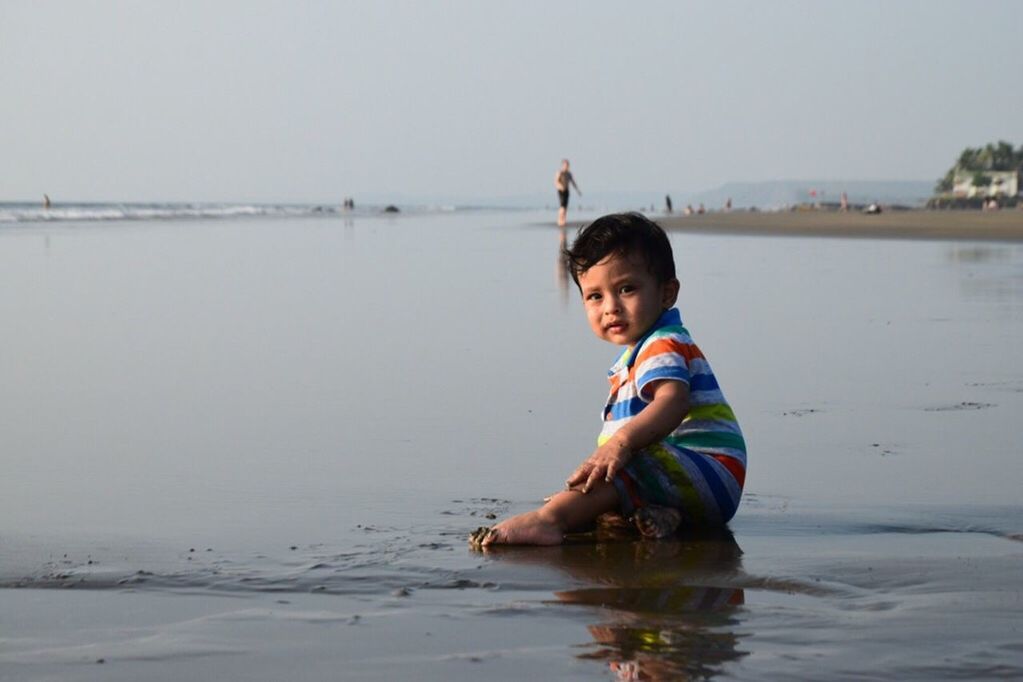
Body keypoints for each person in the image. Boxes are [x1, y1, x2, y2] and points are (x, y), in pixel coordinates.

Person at [471, 213, 746, 547]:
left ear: (667, 293)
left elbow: (673, 401)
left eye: (626, 289)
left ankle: (550, 521)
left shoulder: (663, 343)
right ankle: (663, 516)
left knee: (620, 462)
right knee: (614, 477)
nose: (611, 307)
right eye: (595, 296)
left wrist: (620, 444)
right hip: (694, 484)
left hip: (710, 469)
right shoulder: (639, 352)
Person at [555, 159, 581, 227]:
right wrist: (560, 186)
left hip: (567, 191)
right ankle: (559, 220)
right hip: (561, 191)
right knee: (562, 207)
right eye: (566, 165)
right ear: (563, 165)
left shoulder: (569, 174)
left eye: (568, 165)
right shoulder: (559, 173)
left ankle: (563, 221)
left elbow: (573, 182)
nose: (567, 166)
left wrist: (577, 190)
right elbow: (556, 182)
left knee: (565, 207)